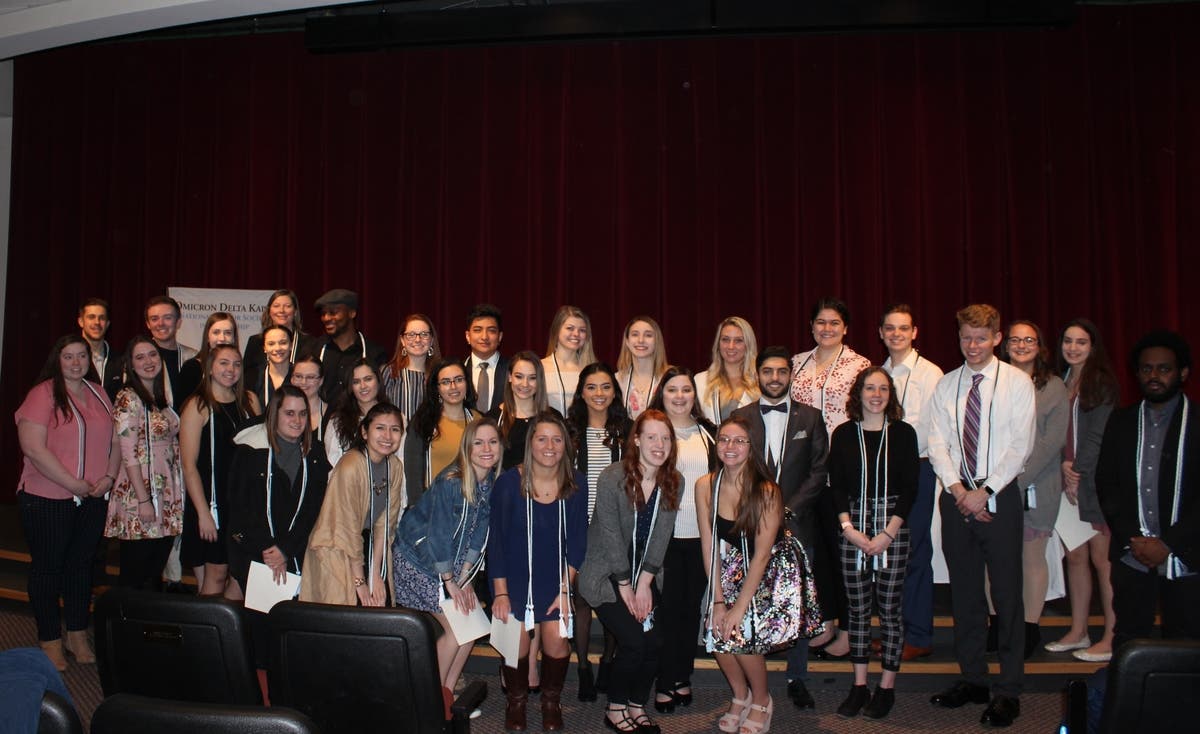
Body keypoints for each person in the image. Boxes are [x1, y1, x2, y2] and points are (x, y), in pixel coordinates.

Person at [927, 304, 1036, 728]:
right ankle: (973, 678)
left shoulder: (1017, 382)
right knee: (966, 596)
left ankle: (1008, 689)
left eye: (980, 338)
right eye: (965, 338)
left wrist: (984, 493)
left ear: (996, 337)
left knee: (1007, 597)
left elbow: (1019, 445)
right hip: (955, 501)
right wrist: (959, 491)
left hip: (1000, 498)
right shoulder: (947, 385)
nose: (972, 346)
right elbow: (937, 441)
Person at [15, 335, 121, 671]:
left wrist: (108, 476)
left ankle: (76, 633)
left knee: (81, 567)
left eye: (81, 356)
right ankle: (49, 639)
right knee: (48, 569)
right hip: (48, 497)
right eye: (69, 357)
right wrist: (71, 482)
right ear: (56, 360)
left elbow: (117, 440)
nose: (76, 363)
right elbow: (33, 448)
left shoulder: (98, 392)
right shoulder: (42, 394)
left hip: (92, 497)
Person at [732, 346, 828, 710]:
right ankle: (751, 683)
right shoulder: (739, 417)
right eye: (767, 371)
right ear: (758, 375)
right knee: (749, 596)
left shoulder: (811, 418)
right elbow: (733, 469)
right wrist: (761, 513)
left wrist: (785, 510)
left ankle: (797, 677)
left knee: (796, 602)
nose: (774, 378)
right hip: (750, 525)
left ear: (791, 375)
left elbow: (819, 471)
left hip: (797, 524)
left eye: (781, 372)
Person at [1098, 330, 1200, 652]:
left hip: (1187, 554)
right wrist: (1135, 540)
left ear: (1182, 373)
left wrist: (1168, 544)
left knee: (1186, 646)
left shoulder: (1197, 422)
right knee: (1129, 642)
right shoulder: (1121, 421)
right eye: (1146, 369)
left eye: (1164, 369)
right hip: (1133, 554)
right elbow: (1107, 485)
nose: (1154, 376)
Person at [391, 416, 499, 720]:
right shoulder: (453, 481)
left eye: (492, 442)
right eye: (478, 442)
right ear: (467, 447)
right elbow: (438, 535)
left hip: (452, 566)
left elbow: (479, 533)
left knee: (474, 626)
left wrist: (465, 578)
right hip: (420, 562)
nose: (486, 448)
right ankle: (428, 701)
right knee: (456, 630)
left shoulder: (488, 481)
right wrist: (450, 581)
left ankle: (448, 696)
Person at [579, 410, 680, 734]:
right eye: (651, 437)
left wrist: (645, 584)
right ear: (636, 440)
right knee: (635, 643)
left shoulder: (671, 480)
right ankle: (615, 707)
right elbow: (608, 535)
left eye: (665, 438)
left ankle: (637, 705)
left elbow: (662, 536)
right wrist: (626, 587)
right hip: (606, 574)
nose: (659, 444)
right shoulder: (612, 477)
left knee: (655, 644)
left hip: (645, 576)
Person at [490, 409, 588, 732]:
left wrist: (565, 591)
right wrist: (501, 594)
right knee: (513, 641)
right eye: (542, 438)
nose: (550, 446)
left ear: (566, 445)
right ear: (530, 443)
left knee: (558, 639)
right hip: (515, 581)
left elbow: (576, 543)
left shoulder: (575, 484)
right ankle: (516, 701)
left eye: (557, 439)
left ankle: (550, 701)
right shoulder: (509, 483)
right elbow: (498, 544)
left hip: (553, 581)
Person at [829, 367, 919, 720]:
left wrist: (888, 533)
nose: (876, 394)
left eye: (883, 388)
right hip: (853, 527)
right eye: (870, 388)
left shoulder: (904, 433)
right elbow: (836, 486)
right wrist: (849, 529)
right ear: (859, 393)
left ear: (891, 395)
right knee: (858, 612)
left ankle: (886, 687)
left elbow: (911, 487)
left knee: (891, 611)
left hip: (891, 527)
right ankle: (859, 685)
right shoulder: (843, 434)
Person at [225, 385, 331, 667]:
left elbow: (313, 510)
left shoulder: (315, 454)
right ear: (274, 415)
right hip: (256, 556)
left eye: (302, 414)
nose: (296, 421)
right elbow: (239, 508)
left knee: (290, 637)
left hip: (296, 555)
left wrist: (286, 549)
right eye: (289, 414)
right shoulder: (250, 452)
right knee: (260, 637)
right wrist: (268, 550)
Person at [696, 414, 782, 734]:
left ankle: (762, 699)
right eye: (724, 439)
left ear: (751, 447)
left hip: (768, 570)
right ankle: (740, 695)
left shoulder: (766, 490)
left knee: (738, 631)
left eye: (739, 441)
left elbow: (761, 556)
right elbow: (708, 546)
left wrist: (738, 608)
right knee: (715, 631)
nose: (730, 446)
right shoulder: (706, 485)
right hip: (731, 563)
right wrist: (718, 602)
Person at [1047, 318, 1120, 662]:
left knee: (1102, 560)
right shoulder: (1061, 381)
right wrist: (1064, 465)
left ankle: (1111, 635)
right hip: (1067, 481)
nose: (1073, 348)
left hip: (1092, 483)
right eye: (1068, 341)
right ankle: (1078, 631)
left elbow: (1097, 435)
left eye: (1081, 342)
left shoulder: (1100, 383)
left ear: (1093, 347)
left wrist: (1077, 470)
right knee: (1075, 557)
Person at [647, 368, 717, 714]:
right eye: (672, 389)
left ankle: (681, 674)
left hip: (700, 536)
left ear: (694, 394)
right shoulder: (654, 431)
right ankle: (664, 679)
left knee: (690, 611)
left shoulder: (709, 434)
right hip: (665, 539)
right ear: (662, 394)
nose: (679, 396)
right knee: (667, 612)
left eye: (685, 389)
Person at [879, 304, 944, 661]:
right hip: (884, 472)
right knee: (890, 554)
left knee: (915, 552)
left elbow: (931, 428)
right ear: (881, 333)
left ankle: (919, 633)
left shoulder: (930, 374)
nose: (896, 334)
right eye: (890, 328)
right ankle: (894, 632)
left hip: (917, 468)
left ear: (914, 332)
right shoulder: (881, 372)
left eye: (903, 328)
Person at [1000, 320, 1068, 659]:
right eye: (1015, 339)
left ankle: (1028, 626)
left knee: (1031, 558)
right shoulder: (995, 381)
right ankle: (997, 624)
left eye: (1029, 340)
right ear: (1005, 344)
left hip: (1036, 485)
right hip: (995, 487)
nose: (1022, 345)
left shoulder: (1053, 386)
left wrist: (1014, 480)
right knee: (993, 560)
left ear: (1040, 346)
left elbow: (1052, 441)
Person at [565, 362, 631, 701]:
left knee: (613, 599)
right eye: (591, 387)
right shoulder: (569, 430)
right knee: (580, 601)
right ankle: (583, 669)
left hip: (615, 527)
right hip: (577, 527)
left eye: (606, 387)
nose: (599, 394)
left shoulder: (627, 430)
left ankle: (607, 661)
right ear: (581, 392)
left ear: (615, 392)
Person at [302, 403, 405, 605]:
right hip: (336, 547)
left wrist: (375, 574)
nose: (388, 436)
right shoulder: (350, 465)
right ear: (364, 432)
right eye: (380, 428)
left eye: (395, 430)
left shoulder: (394, 466)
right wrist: (360, 581)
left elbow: (386, 525)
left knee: (380, 602)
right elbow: (346, 528)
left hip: (367, 545)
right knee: (346, 612)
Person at [179, 343, 259, 597]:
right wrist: (203, 512)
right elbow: (188, 465)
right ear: (210, 368)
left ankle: (229, 634)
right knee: (217, 572)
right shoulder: (198, 406)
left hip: (243, 503)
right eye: (224, 363)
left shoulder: (250, 401)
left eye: (236, 364)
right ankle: (206, 635)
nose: (231, 369)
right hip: (212, 503)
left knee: (241, 575)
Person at [105, 334, 184, 590]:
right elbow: (128, 451)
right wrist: (143, 499)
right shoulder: (128, 398)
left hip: (164, 491)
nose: (148, 361)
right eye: (140, 357)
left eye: (152, 355)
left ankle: (145, 627)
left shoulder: (160, 399)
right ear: (129, 364)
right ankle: (123, 626)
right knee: (136, 572)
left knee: (154, 569)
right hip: (141, 492)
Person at [790, 298, 873, 435]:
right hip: (801, 448)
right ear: (812, 326)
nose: (827, 329)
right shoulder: (796, 362)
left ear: (845, 328)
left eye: (834, 323)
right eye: (821, 322)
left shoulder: (860, 365)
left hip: (841, 446)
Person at [404, 360, 477, 507]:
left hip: (472, 507)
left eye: (459, 380)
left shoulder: (479, 421)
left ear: (467, 383)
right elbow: (413, 474)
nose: (453, 386)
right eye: (445, 382)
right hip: (434, 508)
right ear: (436, 388)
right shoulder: (423, 422)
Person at [310, 288, 387, 403]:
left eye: (333, 312)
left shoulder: (374, 353)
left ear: (352, 313)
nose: (326, 318)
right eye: (323, 314)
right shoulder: (314, 350)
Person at [694, 317, 759, 425]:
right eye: (725, 339)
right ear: (718, 344)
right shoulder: (700, 380)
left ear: (748, 344)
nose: (731, 346)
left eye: (738, 340)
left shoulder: (760, 382)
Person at [495, 351, 549, 470]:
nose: (525, 384)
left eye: (532, 378)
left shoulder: (552, 417)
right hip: (505, 487)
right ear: (510, 377)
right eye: (519, 376)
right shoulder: (493, 418)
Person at [383, 313, 442, 423]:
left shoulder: (440, 374)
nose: (418, 339)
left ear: (432, 340)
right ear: (402, 340)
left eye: (424, 334)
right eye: (411, 334)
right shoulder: (391, 372)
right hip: (397, 438)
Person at [177, 312, 240, 413]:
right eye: (216, 332)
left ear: (234, 338)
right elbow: (182, 408)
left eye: (228, 333)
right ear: (207, 336)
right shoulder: (192, 368)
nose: (222, 338)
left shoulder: (239, 368)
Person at [324, 360, 383, 469]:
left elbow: (401, 460)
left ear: (378, 381)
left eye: (368, 379)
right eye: (356, 382)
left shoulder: (396, 418)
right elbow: (331, 462)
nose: (363, 386)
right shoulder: (337, 421)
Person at [143, 296, 197, 411]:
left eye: (167, 318)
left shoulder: (193, 357)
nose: (160, 323)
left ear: (178, 322)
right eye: (154, 319)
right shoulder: (139, 360)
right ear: (148, 324)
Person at [541, 306, 597, 417]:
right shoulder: (540, 367)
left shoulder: (593, 370)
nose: (576, 334)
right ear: (557, 330)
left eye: (582, 330)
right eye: (570, 328)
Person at [243, 289, 309, 377]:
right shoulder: (255, 341)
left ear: (295, 312)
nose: (282, 310)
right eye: (276, 306)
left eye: (287, 306)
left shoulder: (309, 343)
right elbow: (246, 375)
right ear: (269, 311)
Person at [614, 316, 668, 420]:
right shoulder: (616, 380)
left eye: (648, 335)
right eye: (635, 334)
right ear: (627, 341)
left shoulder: (668, 379)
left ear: (657, 341)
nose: (641, 340)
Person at [464, 303, 509, 415]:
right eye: (478, 330)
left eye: (491, 331)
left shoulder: (513, 370)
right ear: (468, 336)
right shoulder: (458, 370)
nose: (484, 337)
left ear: (500, 337)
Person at [78, 297, 124, 401]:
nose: (97, 322)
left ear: (107, 324)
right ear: (81, 321)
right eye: (91, 317)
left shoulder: (120, 360)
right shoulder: (66, 358)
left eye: (102, 318)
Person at [248, 325, 294, 410]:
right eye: (271, 344)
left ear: (291, 345)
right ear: (264, 348)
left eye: (283, 343)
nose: (277, 348)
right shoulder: (254, 377)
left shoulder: (300, 375)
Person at [289, 354, 328, 443]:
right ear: (292, 379)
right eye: (298, 376)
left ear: (321, 381)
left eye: (310, 377)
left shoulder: (334, 417)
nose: (303, 382)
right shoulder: (279, 412)